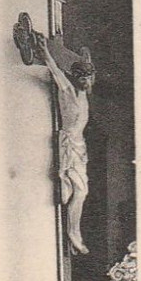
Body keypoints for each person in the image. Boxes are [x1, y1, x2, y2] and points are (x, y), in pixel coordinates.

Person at [35, 33, 94, 255]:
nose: (87, 82)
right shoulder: (68, 92)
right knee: (80, 192)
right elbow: (56, 71)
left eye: (89, 78)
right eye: (84, 78)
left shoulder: (83, 96)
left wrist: (84, 57)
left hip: (79, 148)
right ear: (77, 78)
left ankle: (74, 232)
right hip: (69, 146)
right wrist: (47, 52)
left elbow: (85, 64)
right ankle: (73, 233)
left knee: (80, 192)